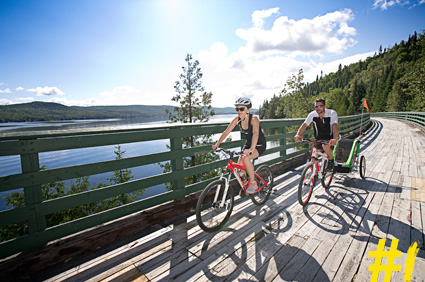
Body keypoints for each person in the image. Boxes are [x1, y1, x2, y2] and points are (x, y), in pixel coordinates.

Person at [212, 97, 267, 194]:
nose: (239, 111)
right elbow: (226, 132)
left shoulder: (254, 118)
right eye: (237, 109)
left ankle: (253, 183)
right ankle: (246, 184)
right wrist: (217, 144)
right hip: (248, 145)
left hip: (259, 144)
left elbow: (255, 134)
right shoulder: (237, 120)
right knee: (239, 168)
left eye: (242, 109)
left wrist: (251, 149)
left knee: (246, 159)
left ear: (248, 109)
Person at [294, 98, 338, 169]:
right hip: (318, 138)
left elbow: (334, 126)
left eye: (320, 106)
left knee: (325, 146)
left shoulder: (332, 113)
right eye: (316, 107)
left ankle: (331, 160)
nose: (317, 108)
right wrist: (298, 134)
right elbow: (305, 124)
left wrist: (335, 138)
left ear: (325, 106)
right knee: (313, 158)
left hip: (329, 138)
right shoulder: (313, 114)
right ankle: (314, 175)